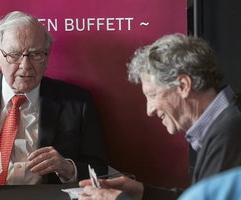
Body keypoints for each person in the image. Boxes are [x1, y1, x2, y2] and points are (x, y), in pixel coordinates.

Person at [0, 11, 107, 188]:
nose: (25, 66)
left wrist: (67, 168)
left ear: (47, 56)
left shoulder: (76, 102)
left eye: (36, 54)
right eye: (14, 55)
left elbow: (99, 168)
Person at [78, 33, 241, 199]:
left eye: (152, 94)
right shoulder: (226, 121)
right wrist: (142, 192)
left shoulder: (230, 133)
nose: (150, 110)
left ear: (183, 85)